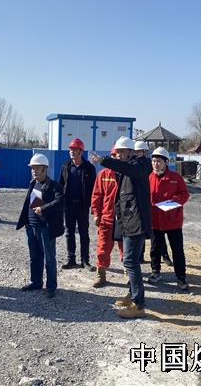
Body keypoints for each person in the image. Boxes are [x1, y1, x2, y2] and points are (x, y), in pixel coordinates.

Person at [90, 136, 152, 319]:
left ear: (132, 152)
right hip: (125, 222)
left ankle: (138, 305)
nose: (119, 155)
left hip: (135, 222)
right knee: (129, 261)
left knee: (130, 262)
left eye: (123, 152)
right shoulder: (125, 170)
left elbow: (130, 169)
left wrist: (104, 160)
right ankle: (132, 296)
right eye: (117, 152)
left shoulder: (140, 165)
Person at [16, 153, 64, 298]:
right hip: (31, 227)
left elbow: (60, 202)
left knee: (49, 258)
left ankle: (51, 287)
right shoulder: (32, 183)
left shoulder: (54, 186)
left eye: (37, 168)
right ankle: (36, 282)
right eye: (32, 168)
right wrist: (26, 222)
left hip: (45, 228)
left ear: (45, 168)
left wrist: (43, 209)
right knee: (35, 257)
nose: (34, 171)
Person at [148, 147, 190, 290]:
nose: (155, 164)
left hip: (173, 221)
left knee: (177, 250)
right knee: (155, 249)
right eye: (153, 161)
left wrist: (173, 202)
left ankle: (181, 277)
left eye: (158, 161)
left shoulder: (176, 178)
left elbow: (185, 194)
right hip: (155, 221)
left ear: (166, 162)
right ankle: (155, 272)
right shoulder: (149, 178)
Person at [59, 138, 96, 270]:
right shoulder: (65, 166)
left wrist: (92, 205)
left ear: (81, 151)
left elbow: (94, 188)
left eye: (74, 149)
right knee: (69, 233)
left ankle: (85, 261)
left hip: (82, 206)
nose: (71, 152)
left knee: (83, 233)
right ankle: (71, 260)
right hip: (68, 206)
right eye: (70, 149)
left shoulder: (89, 168)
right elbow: (61, 185)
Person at [90, 147, 123, 288]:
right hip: (107, 218)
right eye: (113, 156)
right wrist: (96, 214)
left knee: (126, 248)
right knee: (103, 247)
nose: (116, 158)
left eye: (118, 156)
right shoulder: (103, 174)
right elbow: (96, 196)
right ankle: (101, 274)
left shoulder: (127, 174)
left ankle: (129, 273)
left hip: (123, 219)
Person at [134, 141, 154, 264]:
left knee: (145, 228)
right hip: (142, 197)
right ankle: (140, 255)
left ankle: (142, 255)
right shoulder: (146, 163)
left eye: (138, 151)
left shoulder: (146, 164)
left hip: (145, 197)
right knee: (142, 228)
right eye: (135, 151)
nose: (136, 153)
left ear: (144, 151)